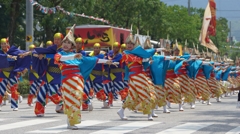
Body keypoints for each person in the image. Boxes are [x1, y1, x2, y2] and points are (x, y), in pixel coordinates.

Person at [54, 24, 115, 129]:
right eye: (65, 42)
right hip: (66, 80)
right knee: (69, 100)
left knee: (77, 99)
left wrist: (107, 61)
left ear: (72, 46)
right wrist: (73, 56)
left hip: (77, 80)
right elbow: (61, 59)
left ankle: (72, 121)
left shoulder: (78, 56)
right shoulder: (60, 54)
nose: (66, 44)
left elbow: (91, 60)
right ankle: (70, 122)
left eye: (69, 43)